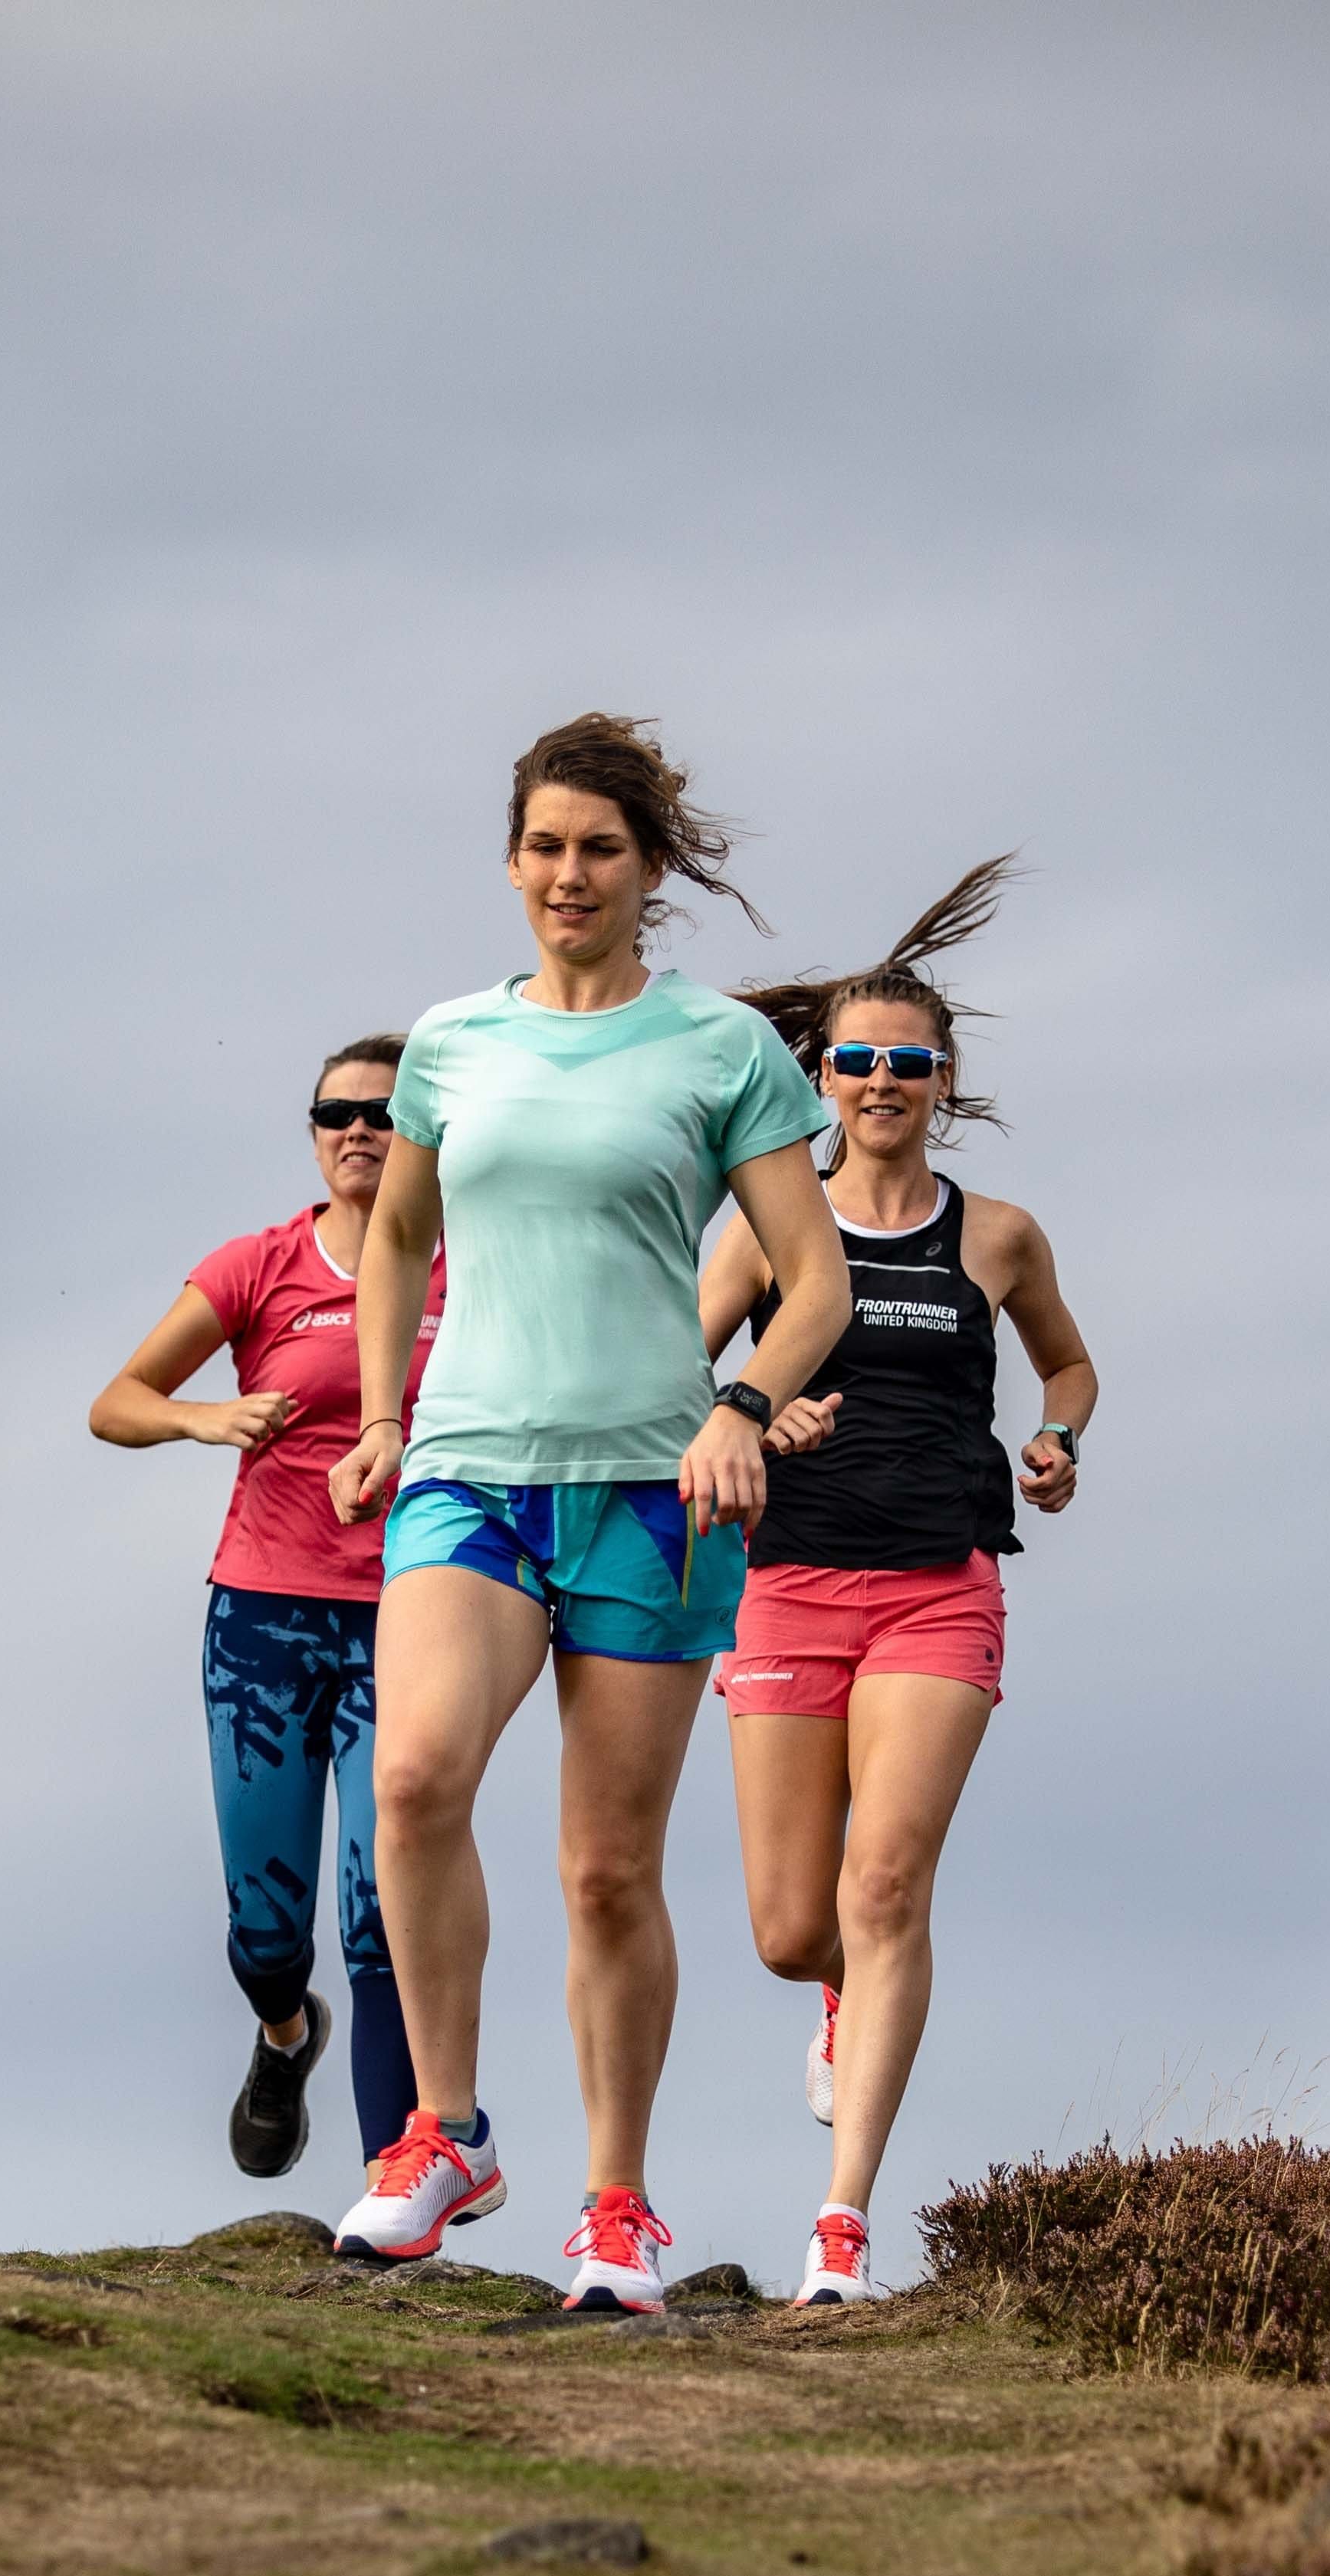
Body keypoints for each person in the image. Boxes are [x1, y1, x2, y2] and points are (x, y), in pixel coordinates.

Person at [324, 714, 852, 2311]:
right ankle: (444, 2131)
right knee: (412, 1780)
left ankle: (615, 2207)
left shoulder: (719, 1052)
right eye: (545, 846)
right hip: (470, 1471)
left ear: (649, 869)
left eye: (600, 849)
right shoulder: (448, 1045)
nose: (569, 874)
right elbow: (397, 1238)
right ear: (512, 859)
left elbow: (812, 1277)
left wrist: (741, 1406)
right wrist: (381, 1418)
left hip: (649, 1491)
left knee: (606, 1868)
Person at [705, 862, 1099, 2301]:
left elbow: (1069, 1358)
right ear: (822, 1077)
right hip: (790, 1582)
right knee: (793, 1929)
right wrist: (753, 1407)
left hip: (940, 1585)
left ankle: (842, 2221)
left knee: (888, 1883)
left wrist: (1057, 1434)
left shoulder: (994, 1235)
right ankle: (831, 2002)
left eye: (908, 1064)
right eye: (857, 1061)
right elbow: (679, 1367)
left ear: (944, 1081)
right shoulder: (766, 1231)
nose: (880, 1082)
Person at [87, 1034, 445, 2180]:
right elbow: (117, 1403)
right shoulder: (259, 1265)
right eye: (336, 1112)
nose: (359, 1131)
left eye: (384, 1116)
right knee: (267, 1929)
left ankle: (397, 2182)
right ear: (312, 1130)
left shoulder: (471, 1268)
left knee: (378, 1907)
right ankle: (285, 2035)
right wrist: (208, 1418)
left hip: (417, 1616)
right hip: (264, 1622)